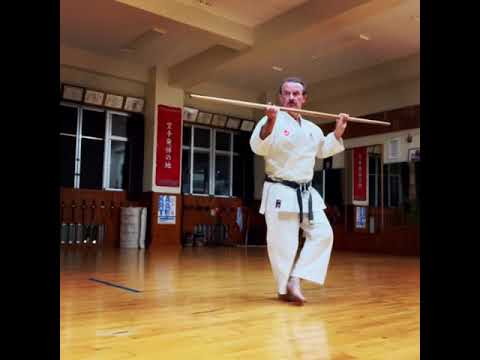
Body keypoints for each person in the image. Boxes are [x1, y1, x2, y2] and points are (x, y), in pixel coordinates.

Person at [249, 77, 348, 305]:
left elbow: (323, 150)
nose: (291, 98)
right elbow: (258, 146)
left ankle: (297, 278)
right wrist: (270, 123)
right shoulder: (270, 119)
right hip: (281, 190)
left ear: (304, 98)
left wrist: (338, 133)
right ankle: (284, 288)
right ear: (280, 97)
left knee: (324, 234)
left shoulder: (312, 128)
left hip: (306, 192)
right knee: (283, 245)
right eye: (287, 93)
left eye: (296, 94)